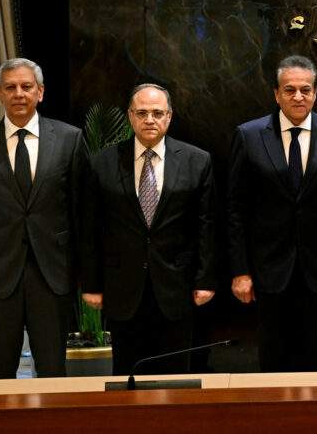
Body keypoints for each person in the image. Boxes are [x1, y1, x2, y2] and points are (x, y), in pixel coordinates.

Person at [0, 58, 87, 378]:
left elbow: (82, 212)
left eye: (26, 86)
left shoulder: (70, 139)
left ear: (40, 92)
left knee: (53, 370)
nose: (19, 94)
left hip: (53, 275)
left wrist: (87, 274)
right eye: (10, 87)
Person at [227, 55, 317, 372]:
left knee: (314, 360)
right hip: (267, 271)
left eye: (305, 90)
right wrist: (240, 270)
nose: (298, 97)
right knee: (272, 362)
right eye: (289, 90)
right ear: (276, 94)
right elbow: (235, 209)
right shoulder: (249, 135)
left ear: (315, 92)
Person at [80, 84, 216, 374]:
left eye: (157, 113)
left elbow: (206, 225)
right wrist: (91, 285)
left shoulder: (197, 160)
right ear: (130, 116)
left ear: (169, 116)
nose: (149, 120)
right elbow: (90, 227)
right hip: (123, 287)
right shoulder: (102, 162)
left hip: (177, 285)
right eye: (142, 113)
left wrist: (205, 279)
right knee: (127, 374)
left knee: (176, 375)